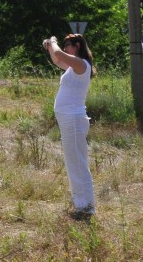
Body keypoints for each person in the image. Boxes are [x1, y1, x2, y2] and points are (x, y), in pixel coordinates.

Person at [43, 33, 96, 219]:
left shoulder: (82, 65)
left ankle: (86, 206)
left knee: (78, 163)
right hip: (69, 119)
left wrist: (54, 43)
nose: (65, 48)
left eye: (68, 45)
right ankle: (80, 203)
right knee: (73, 162)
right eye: (64, 45)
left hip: (73, 119)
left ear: (78, 46)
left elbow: (60, 55)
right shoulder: (73, 67)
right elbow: (58, 60)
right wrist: (50, 47)